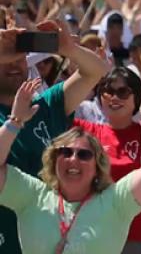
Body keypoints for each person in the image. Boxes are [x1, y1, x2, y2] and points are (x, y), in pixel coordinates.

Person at [0, 78, 141, 253]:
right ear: (54, 159)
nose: (73, 159)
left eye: (84, 155)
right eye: (65, 152)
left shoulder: (115, 201)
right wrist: (14, 122)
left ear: (97, 166)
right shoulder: (32, 195)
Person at [0, 22, 110, 254]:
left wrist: (69, 49)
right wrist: (14, 123)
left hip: (51, 239)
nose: (14, 65)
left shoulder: (47, 105)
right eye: (6, 60)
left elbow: (96, 71)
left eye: (20, 58)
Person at [73, 66, 141, 253]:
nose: (114, 97)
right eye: (108, 91)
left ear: (136, 98)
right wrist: (85, 68)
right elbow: (51, 108)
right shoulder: (88, 132)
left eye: (123, 92)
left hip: (140, 239)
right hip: (98, 237)